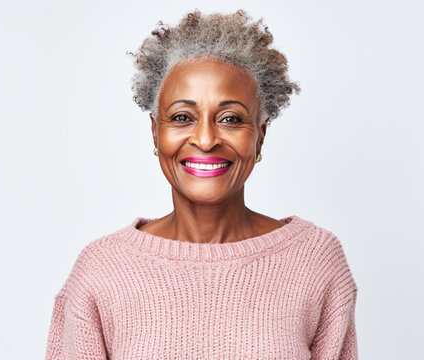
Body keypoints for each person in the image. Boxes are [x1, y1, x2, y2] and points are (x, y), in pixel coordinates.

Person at [45, 9, 358, 360]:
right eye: (182, 117)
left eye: (231, 119)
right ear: (155, 132)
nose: (206, 139)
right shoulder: (101, 271)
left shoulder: (315, 262)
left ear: (260, 137)